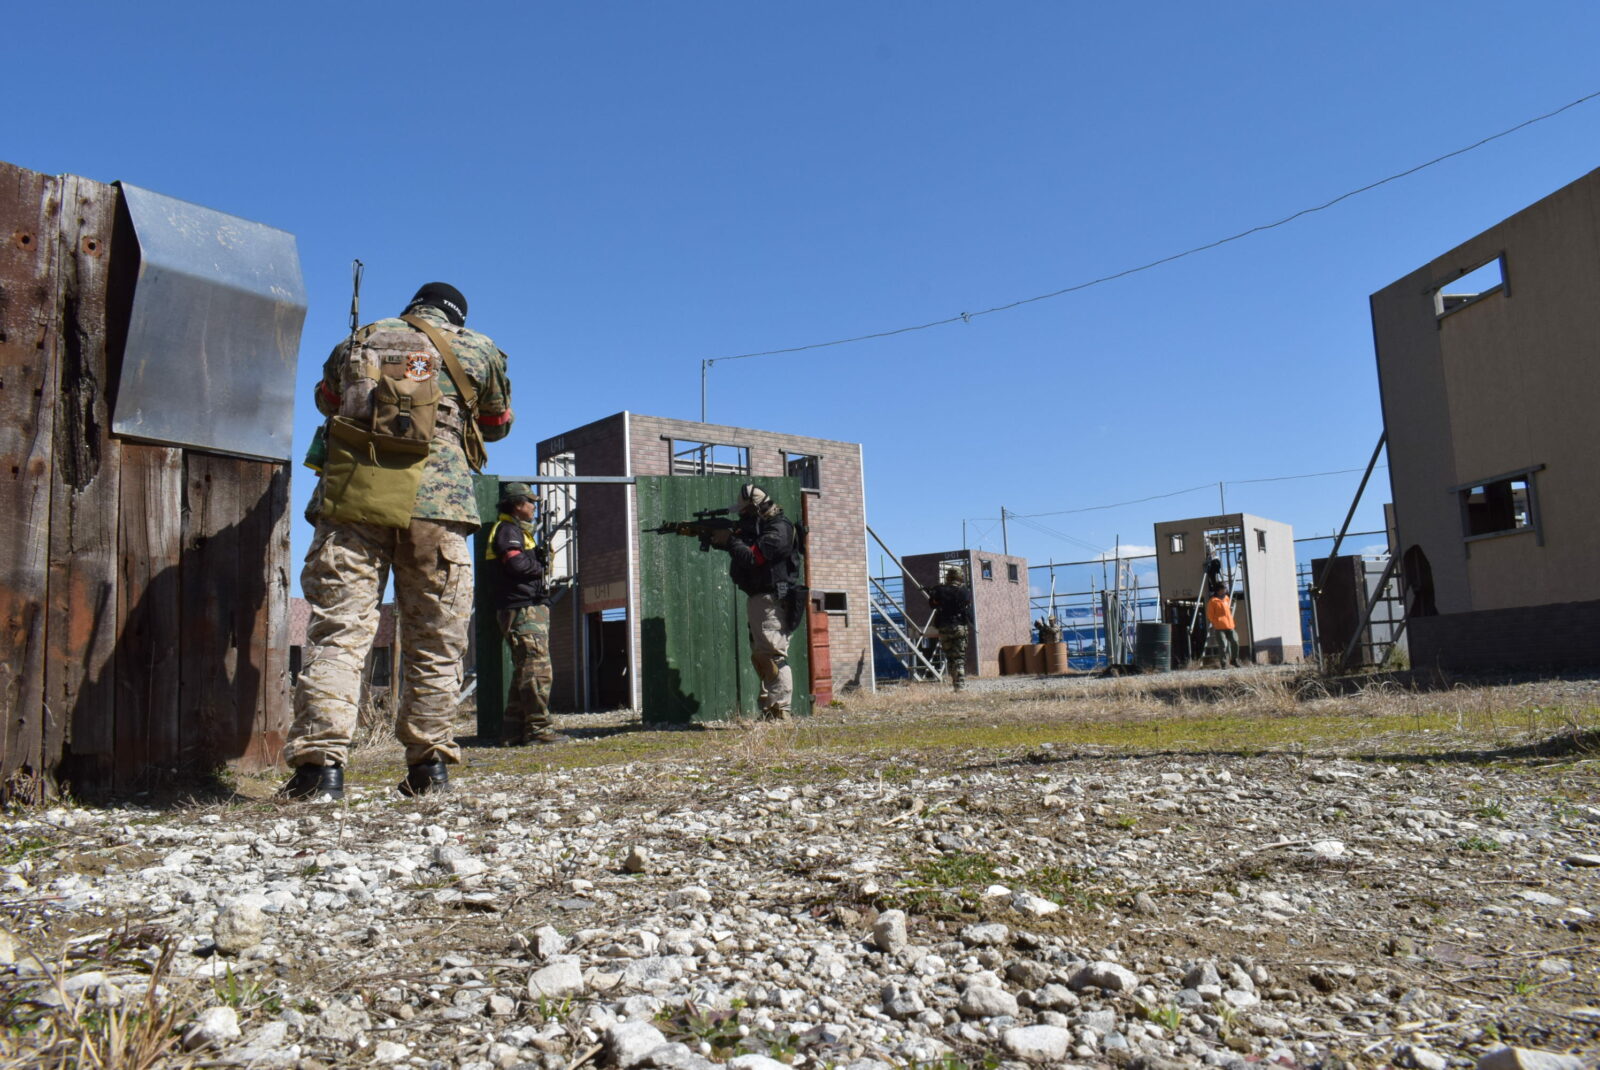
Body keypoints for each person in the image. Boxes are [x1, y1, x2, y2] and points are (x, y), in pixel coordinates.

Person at [283, 282, 514, 800]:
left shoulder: (360, 338)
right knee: (436, 639)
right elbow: (497, 424)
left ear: (413, 306)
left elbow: (326, 400)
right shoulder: (479, 348)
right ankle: (429, 769)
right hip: (438, 503)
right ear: (456, 316)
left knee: (340, 631)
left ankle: (319, 773)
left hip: (354, 495)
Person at [709, 483, 801, 720]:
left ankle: (781, 711)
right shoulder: (764, 528)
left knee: (771, 655)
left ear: (757, 508)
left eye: (745, 510)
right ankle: (770, 709)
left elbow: (752, 557)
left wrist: (731, 540)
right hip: (761, 599)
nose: (742, 515)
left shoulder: (779, 530)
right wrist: (722, 540)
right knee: (761, 655)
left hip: (772, 599)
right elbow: (745, 551)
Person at [487, 482, 568, 746]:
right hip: (521, 608)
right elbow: (516, 564)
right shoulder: (508, 530)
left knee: (526, 669)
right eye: (530, 501)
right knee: (537, 670)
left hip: (525, 606)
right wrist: (539, 565)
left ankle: (513, 731)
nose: (534, 506)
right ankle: (538, 730)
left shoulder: (516, 531)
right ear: (517, 504)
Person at [927, 567, 972, 691]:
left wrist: (933, 594)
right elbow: (967, 605)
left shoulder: (940, 590)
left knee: (950, 658)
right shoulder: (964, 591)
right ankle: (960, 686)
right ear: (959, 576)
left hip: (944, 628)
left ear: (948, 576)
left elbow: (932, 604)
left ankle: (955, 685)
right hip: (959, 627)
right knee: (959, 658)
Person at [1206, 583, 1242, 668]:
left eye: (1226, 588)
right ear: (1219, 590)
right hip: (1219, 627)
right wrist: (1216, 622)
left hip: (1230, 625)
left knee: (1235, 641)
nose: (1226, 590)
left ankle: (1234, 660)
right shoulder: (1213, 601)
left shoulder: (1226, 598)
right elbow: (1210, 615)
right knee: (1222, 645)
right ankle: (1223, 663)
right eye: (1224, 588)